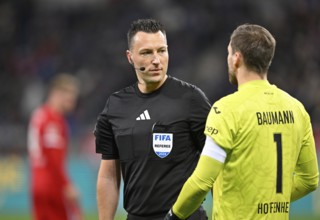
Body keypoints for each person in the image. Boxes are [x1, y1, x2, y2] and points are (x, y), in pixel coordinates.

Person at [165, 24, 319, 220]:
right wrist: (266, 201)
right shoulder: (297, 109)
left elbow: (202, 182)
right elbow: (309, 180)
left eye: (229, 53)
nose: (228, 59)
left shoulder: (227, 109)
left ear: (237, 58)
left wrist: (173, 215)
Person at [94, 18, 211, 220]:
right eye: (147, 53)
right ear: (130, 57)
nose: (156, 60)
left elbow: (215, 161)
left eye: (162, 50)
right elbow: (109, 175)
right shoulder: (115, 106)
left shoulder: (191, 99)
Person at [27, 73, 83, 220]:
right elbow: (53, 157)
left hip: (37, 182)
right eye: (70, 98)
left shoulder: (39, 114)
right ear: (57, 94)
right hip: (51, 184)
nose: (72, 103)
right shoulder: (53, 120)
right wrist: (66, 185)